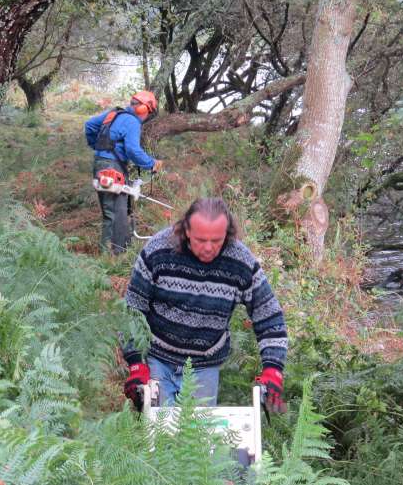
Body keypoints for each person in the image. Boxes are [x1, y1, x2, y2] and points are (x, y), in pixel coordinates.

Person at [121, 197, 288, 413]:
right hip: (158, 358)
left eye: (216, 241)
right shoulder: (158, 250)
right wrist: (136, 363)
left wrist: (273, 368)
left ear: (227, 234)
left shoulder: (241, 262)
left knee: (197, 440)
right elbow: (132, 310)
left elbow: (269, 317)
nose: (208, 248)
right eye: (200, 240)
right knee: (160, 437)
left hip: (204, 364)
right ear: (186, 230)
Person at [84, 90, 163, 253]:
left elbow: (90, 125)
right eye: (148, 112)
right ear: (143, 109)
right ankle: (113, 255)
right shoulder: (133, 122)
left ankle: (119, 249)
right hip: (112, 166)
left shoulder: (114, 113)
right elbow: (133, 150)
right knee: (115, 212)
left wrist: (98, 146)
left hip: (101, 163)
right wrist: (151, 163)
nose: (146, 116)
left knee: (113, 210)